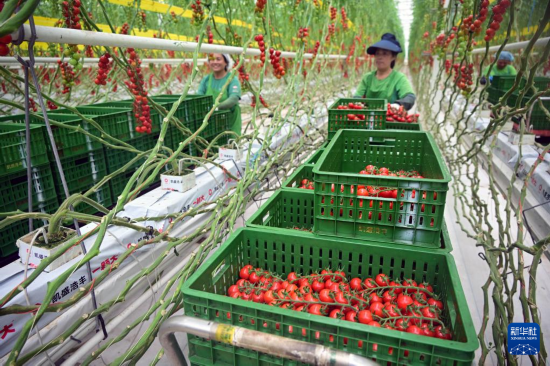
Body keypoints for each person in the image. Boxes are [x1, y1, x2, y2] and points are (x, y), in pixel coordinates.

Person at [353, 33, 416, 111]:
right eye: (377, 54)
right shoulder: (367, 78)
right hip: (367, 119)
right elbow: (357, 97)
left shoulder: (399, 78)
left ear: (393, 57)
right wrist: (358, 104)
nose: (380, 57)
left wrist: (397, 105)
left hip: (389, 120)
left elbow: (410, 97)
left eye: (385, 54)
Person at [197, 53, 242, 135]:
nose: (215, 62)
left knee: (231, 145)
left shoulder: (232, 79)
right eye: (212, 59)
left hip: (230, 122)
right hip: (211, 123)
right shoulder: (206, 80)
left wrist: (216, 108)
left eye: (218, 59)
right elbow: (198, 96)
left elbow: (234, 98)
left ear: (226, 62)